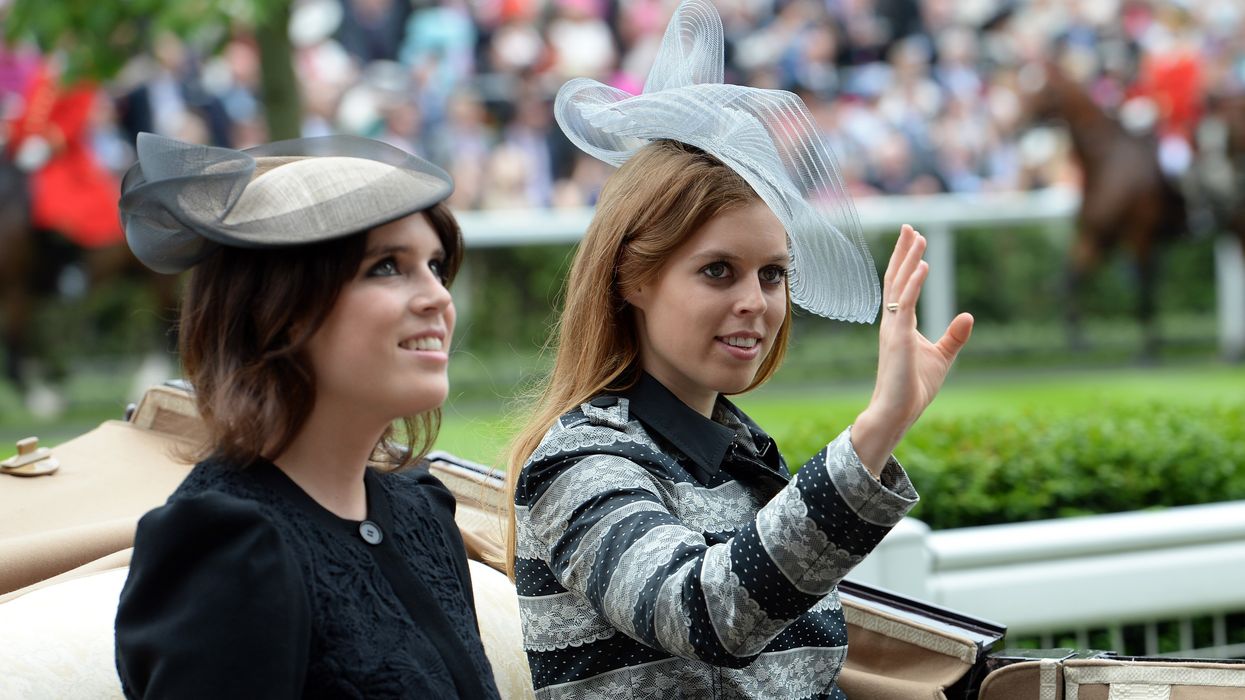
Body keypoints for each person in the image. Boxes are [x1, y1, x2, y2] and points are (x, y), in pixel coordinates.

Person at [503, 0, 974, 697]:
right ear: (632, 277)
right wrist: (876, 430)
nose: (756, 301)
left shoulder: (740, 452)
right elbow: (705, 613)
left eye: (772, 274)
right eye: (718, 271)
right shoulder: (578, 460)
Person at [113, 132, 499, 699]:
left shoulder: (423, 513)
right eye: (386, 266)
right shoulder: (228, 548)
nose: (438, 297)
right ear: (282, 308)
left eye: (436, 266)